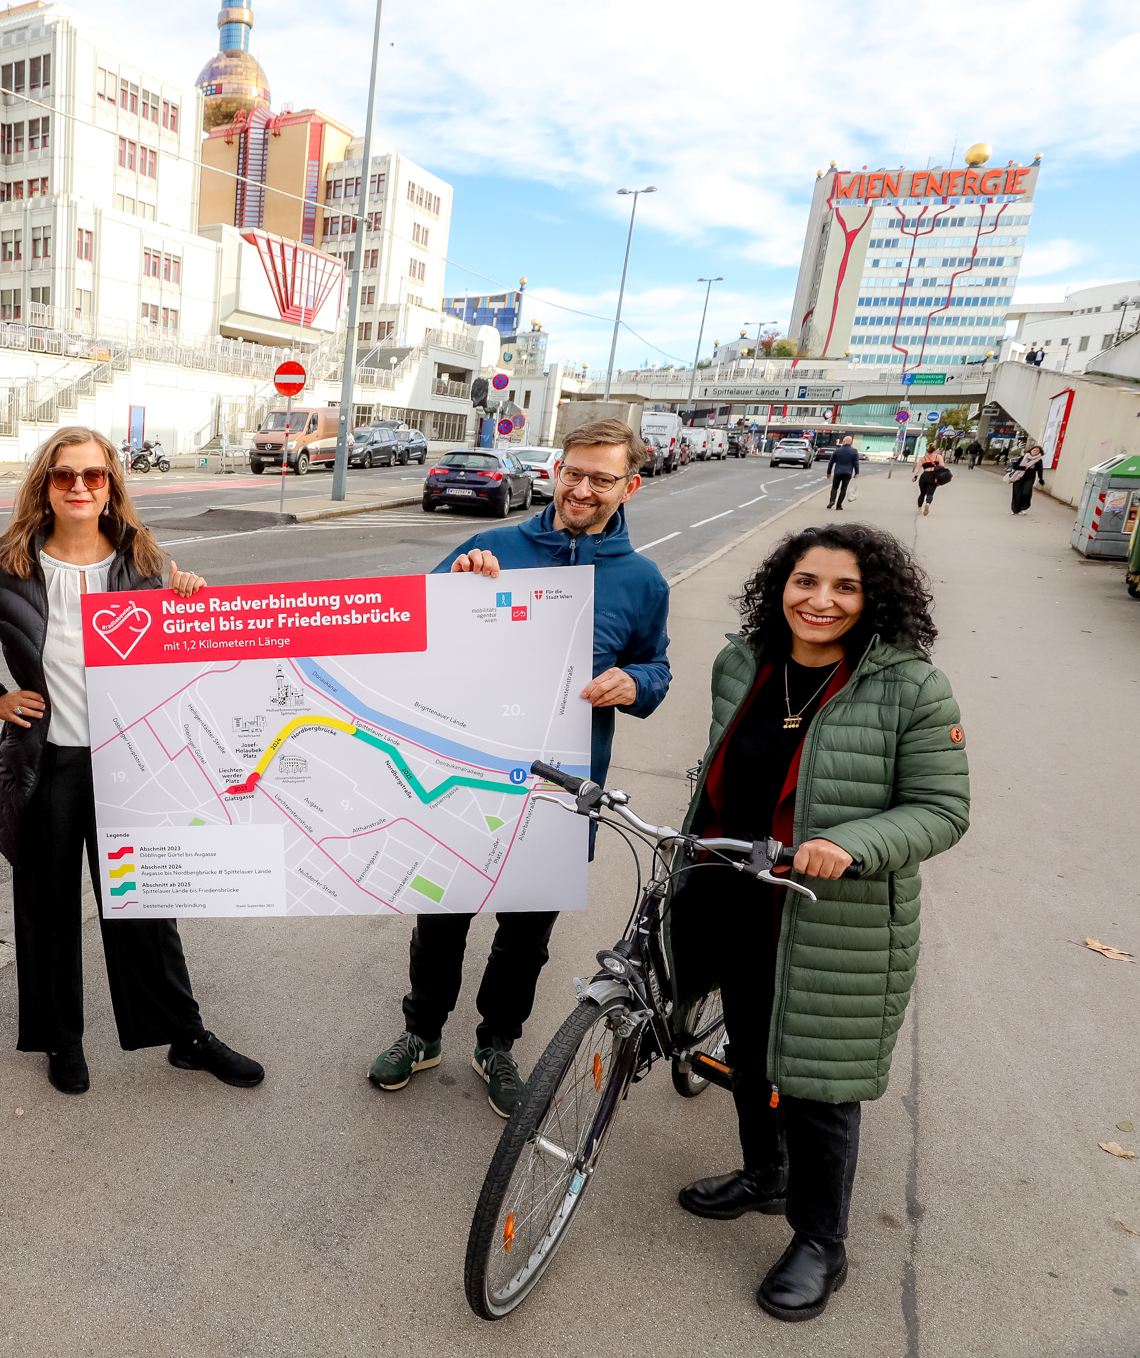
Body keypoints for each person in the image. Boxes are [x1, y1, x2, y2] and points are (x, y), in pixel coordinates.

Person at [667, 523, 968, 1322]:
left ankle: (821, 1240)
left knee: (819, 1086)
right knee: (751, 1054)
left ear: (874, 598)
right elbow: (720, 775)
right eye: (806, 581)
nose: (821, 600)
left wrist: (850, 842)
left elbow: (942, 808)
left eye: (845, 587)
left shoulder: (909, 687)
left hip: (836, 921)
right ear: (781, 585)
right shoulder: (744, 661)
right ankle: (763, 1174)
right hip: (737, 894)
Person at [367, 417, 672, 1115]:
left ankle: (497, 1042)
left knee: (525, 936)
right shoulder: (491, 545)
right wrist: (457, 588)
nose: (582, 488)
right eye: (573, 471)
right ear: (556, 470)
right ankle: (421, 1031)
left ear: (631, 484)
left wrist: (636, 683)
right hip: (464, 777)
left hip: (561, 793)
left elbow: (656, 667)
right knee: (440, 917)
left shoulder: (641, 581)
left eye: (601, 478)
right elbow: (414, 633)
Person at [0, 426, 264, 1095]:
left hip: (131, 762)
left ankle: (186, 1034)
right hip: (47, 763)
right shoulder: (7, 562)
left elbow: (179, 663)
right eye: (66, 476)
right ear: (46, 485)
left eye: (94, 475)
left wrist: (192, 608)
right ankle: (61, 1039)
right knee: (47, 907)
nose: (81, 487)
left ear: (111, 485)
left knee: (145, 905)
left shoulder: (144, 562)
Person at [1010, 443, 1045, 514]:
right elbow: (1014, 466)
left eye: (1038, 451)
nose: (1035, 452)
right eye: (1034, 450)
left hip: (1030, 478)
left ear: (1039, 453)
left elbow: (1040, 470)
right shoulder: (1023, 457)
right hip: (1019, 477)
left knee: (1026, 492)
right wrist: (1022, 468)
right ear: (1031, 450)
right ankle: (1015, 509)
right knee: (1017, 493)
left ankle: (1023, 508)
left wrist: (1041, 479)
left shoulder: (1038, 460)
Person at [826, 437, 860, 510]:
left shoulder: (837, 451)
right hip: (848, 473)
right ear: (851, 442)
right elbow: (856, 463)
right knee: (843, 489)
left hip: (838, 472)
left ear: (843, 441)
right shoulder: (854, 451)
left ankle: (832, 501)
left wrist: (829, 472)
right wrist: (857, 472)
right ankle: (839, 505)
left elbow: (831, 462)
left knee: (835, 487)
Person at [915, 445, 946, 515]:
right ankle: (928, 503)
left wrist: (915, 476)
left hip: (924, 476)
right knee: (930, 493)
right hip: (933, 477)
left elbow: (917, 468)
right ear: (935, 450)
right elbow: (943, 465)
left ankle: (919, 509)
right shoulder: (938, 457)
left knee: (922, 493)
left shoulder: (923, 458)